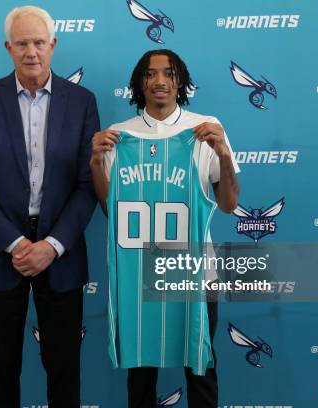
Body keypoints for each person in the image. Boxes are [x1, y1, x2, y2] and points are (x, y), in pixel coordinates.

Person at [0, 6, 99, 408]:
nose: (31, 51)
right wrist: (17, 244)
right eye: (22, 43)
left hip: (61, 254)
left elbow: (87, 184)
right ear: (8, 48)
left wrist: (51, 245)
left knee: (64, 367)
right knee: (1, 369)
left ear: (53, 45)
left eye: (39, 42)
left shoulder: (82, 102)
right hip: (0, 253)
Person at [90, 49, 240, 408]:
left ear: (180, 81)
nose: (159, 81)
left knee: (200, 366)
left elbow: (229, 204)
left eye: (169, 73)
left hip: (196, 271)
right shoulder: (117, 136)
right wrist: (96, 161)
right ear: (139, 83)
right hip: (138, 272)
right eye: (151, 74)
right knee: (140, 371)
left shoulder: (205, 128)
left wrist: (222, 154)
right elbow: (112, 210)